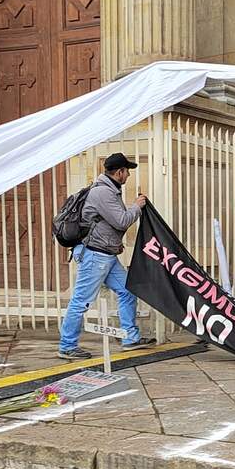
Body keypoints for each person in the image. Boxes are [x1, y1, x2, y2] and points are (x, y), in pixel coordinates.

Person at [59, 153, 154, 360]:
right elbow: (121, 221)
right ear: (119, 172)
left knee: (128, 291)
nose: (128, 175)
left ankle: (130, 338)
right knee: (81, 301)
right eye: (127, 171)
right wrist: (137, 206)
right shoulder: (103, 193)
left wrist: (114, 244)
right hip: (95, 256)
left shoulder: (110, 190)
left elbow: (106, 224)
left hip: (106, 255)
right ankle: (67, 346)